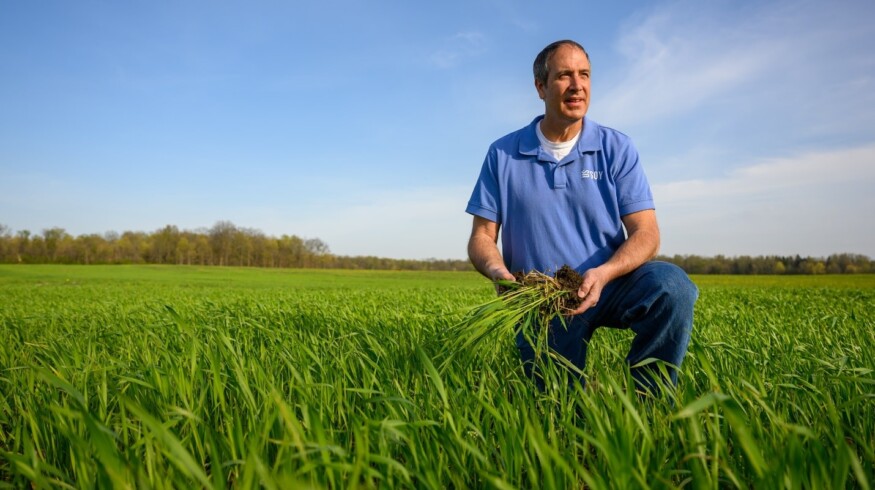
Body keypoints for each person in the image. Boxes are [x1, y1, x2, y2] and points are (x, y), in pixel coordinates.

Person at [465, 39, 698, 393]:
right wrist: (499, 273)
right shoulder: (503, 154)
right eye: (564, 76)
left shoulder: (616, 148)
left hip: (611, 283)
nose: (577, 86)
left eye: (584, 75)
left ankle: (650, 405)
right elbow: (482, 236)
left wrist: (604, 274)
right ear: (540, 87)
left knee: (673, 287)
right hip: (544, 298)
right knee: (555, 405)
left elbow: (646, 233)